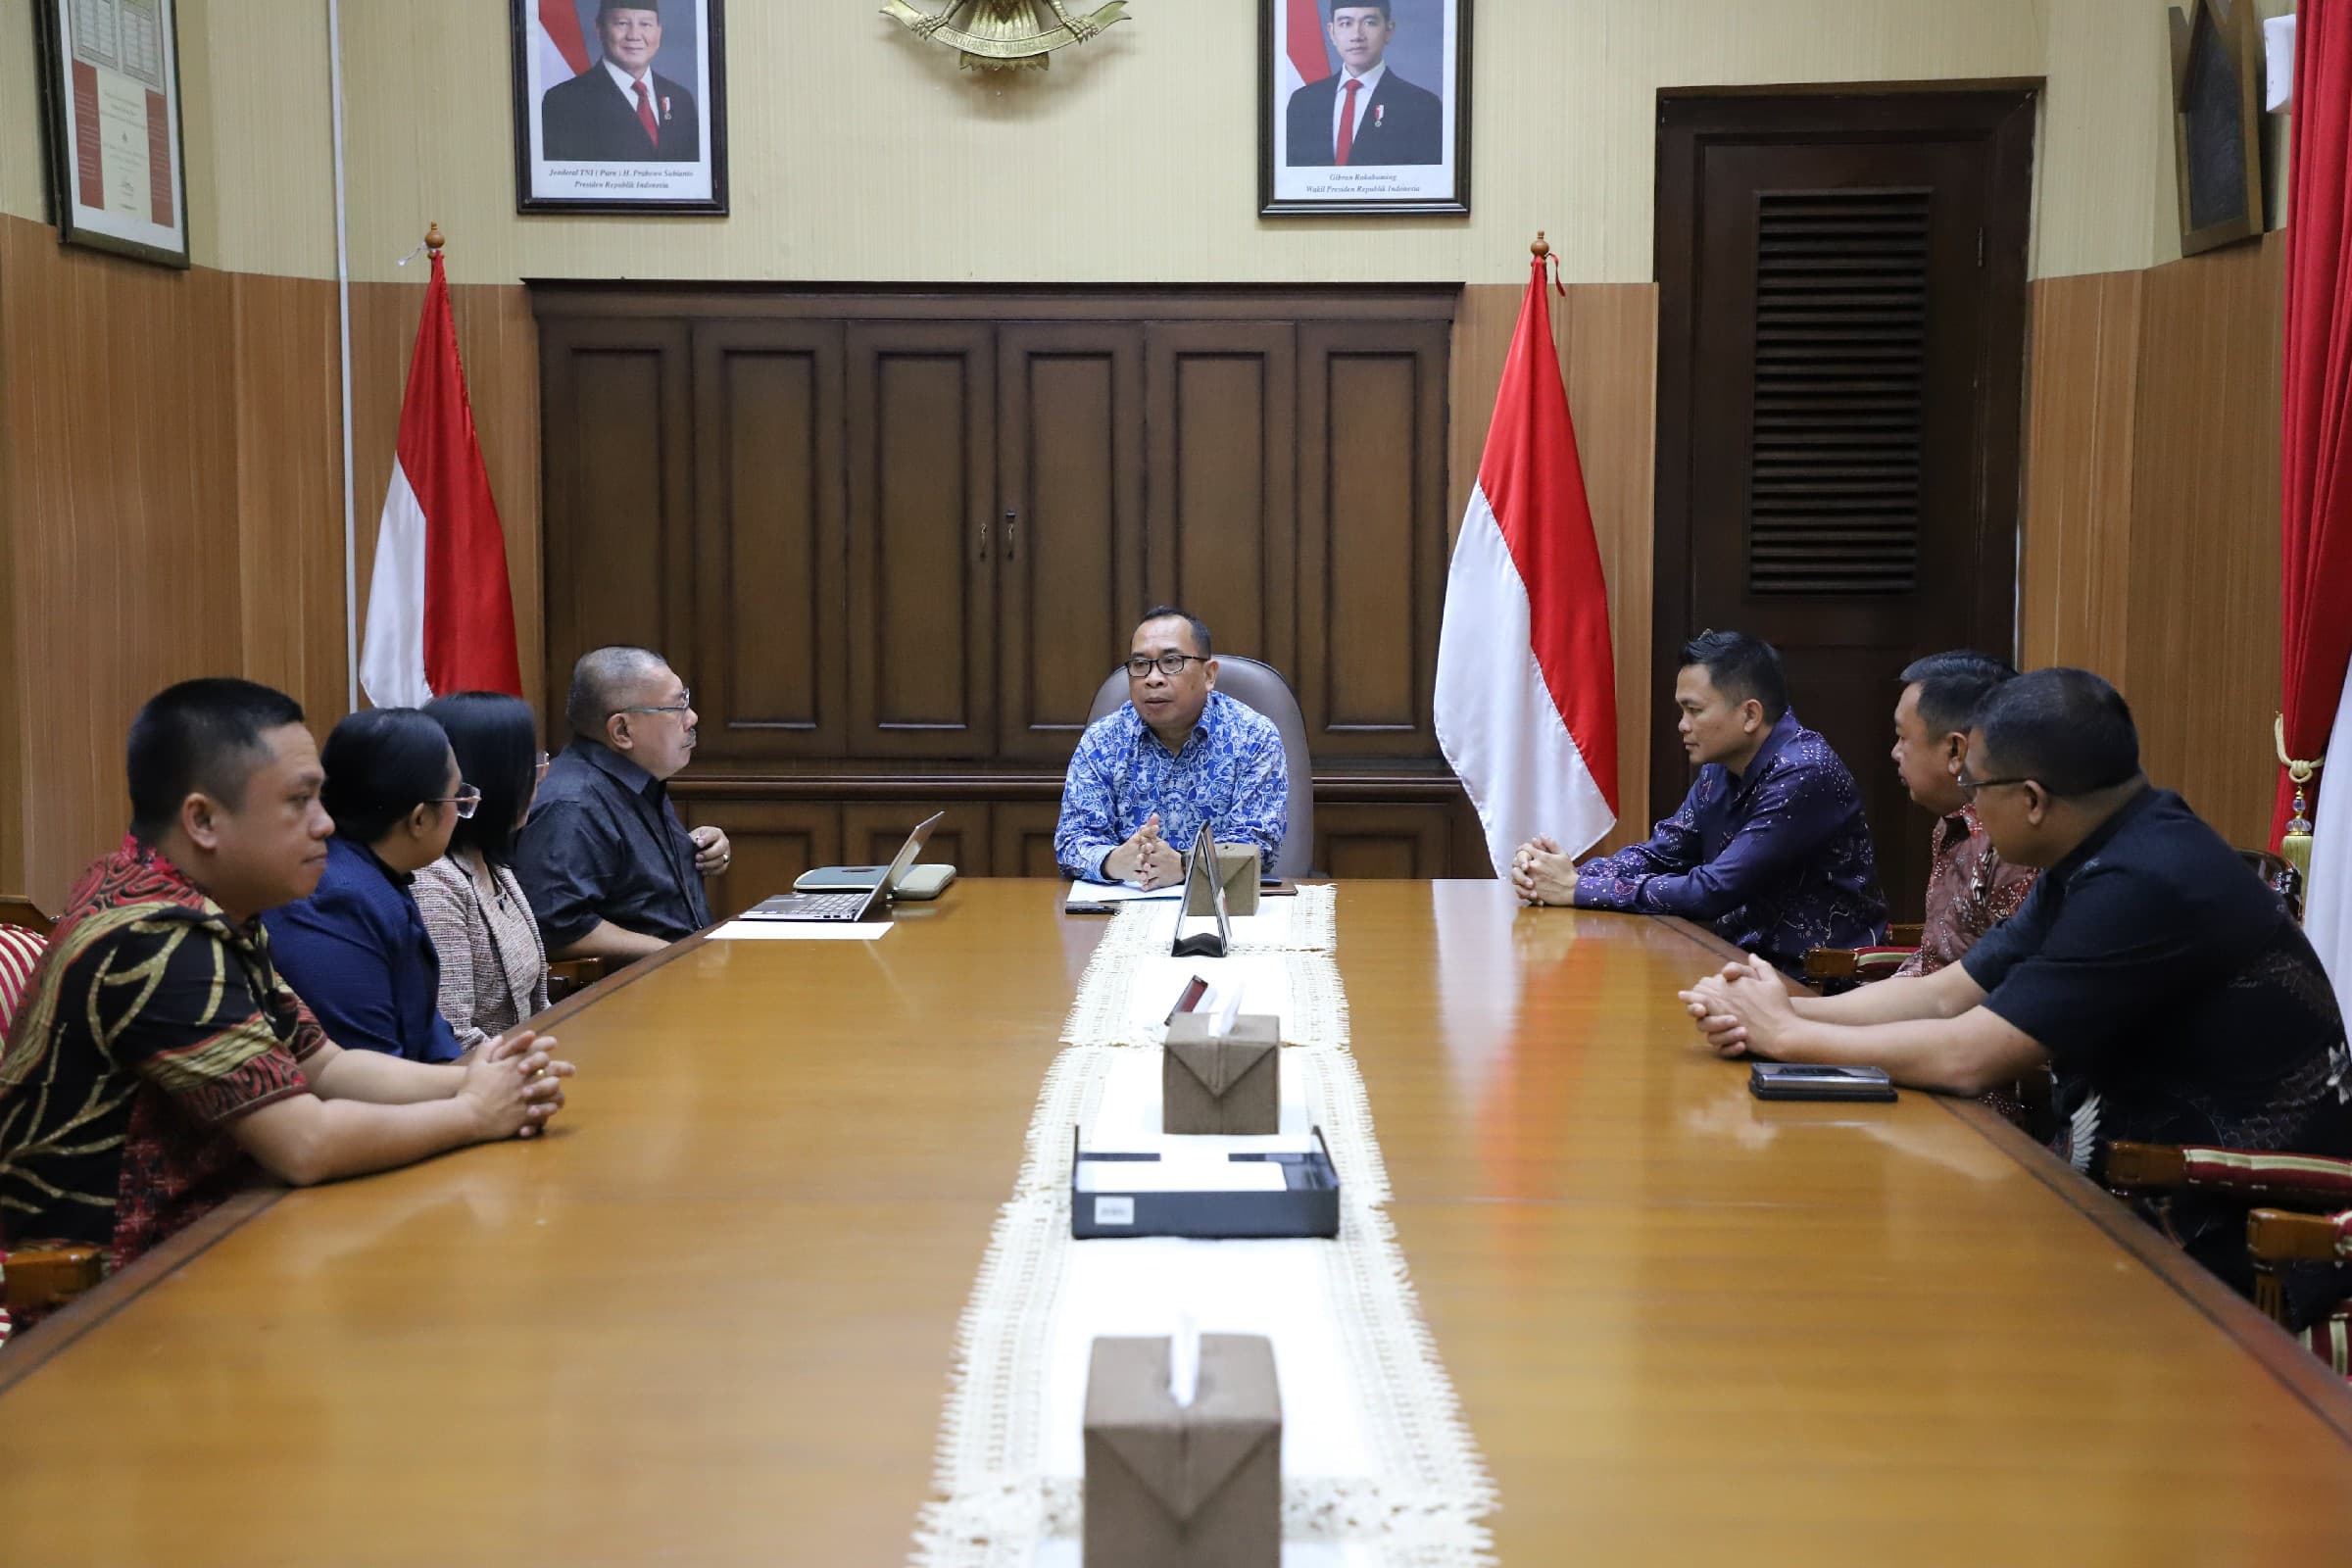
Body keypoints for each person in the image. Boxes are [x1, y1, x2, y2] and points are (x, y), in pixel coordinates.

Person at [1681, 668, 2352, 1326]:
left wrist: (1788, 1038)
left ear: (2031, 799)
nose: (1967, 801)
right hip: (2138, 1192)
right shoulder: (2100, 845)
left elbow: (1972, 1055)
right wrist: (1786, 1008)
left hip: (2236, 1225)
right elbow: (1948, 995)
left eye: (1976, 784)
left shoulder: (2145, 879)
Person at [0, 679, 571, 1289]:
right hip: (112, 1293)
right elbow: (305, 1143)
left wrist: (478, 1078)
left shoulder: (201, 903)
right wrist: (475, 1112)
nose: (326, 825)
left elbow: (326, 1066)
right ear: (203, 820)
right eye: (299, 801)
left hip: (220, 1238)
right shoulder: (158, 940)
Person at [1513, 630, 1887, 975]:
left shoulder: (1804, 772)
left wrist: (1576, 889)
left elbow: (1712, 891)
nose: (1682, 724)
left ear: (1750, 715)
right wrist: (1569, 875)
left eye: (1694, 710)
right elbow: (1662, 854)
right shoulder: (1721, 768)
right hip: (1743, 968)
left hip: (1820, 983)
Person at [265, 710, 474, 1064]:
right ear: (420, 818)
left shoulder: (377, 870)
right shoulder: (332, 896)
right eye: (459, 797)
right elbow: (367, 1060)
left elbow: (426, 1028)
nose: (465, 809)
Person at [514, 647, 729, 959]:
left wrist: (699, 850)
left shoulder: (635, 780)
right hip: (631, 995)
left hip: (679, 977)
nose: (692, 718)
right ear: (622, 731)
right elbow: (555, 925)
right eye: (677, 707)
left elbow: (642, 893)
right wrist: (678, 954)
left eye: (687, 699)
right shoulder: (572, 805)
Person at [1054, 607, 1288, 888]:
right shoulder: (1102, 741)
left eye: (1171, 661)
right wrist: (1116, 860)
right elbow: (1072, 840)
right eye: (1140, 665)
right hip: (1123, 908)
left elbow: (1257, 844)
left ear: (1209, 675)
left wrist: (1182, 866)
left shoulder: (1254, 737)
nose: (1153, 678)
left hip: (1221, 910)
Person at [416, 693, 552, 1056]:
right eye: (530, 764)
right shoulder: (434, 882)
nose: (541, 776)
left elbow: (538, 1006)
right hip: (484, 1086)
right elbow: (454, 1037)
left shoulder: (490, 860)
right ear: (496, 777)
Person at [1886, 651, 2036, 978]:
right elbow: (1933, 963)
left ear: (1955, 750)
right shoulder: (1950, 823)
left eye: (1903, 737)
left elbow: (1993, 991)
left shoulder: (2015, 840)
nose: (1895, 752)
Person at [1283, 2, 1444, 168]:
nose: (1357, 35)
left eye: (1369, 23)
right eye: (1346, 23)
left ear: (1389, 30)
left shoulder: (1421, 106)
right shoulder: (1303, 102)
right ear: (1332, 32)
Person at [541, 3, 702, 164]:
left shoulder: (681, 99)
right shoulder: (565, 101)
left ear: (659, 31)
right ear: (599, 30)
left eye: (645, 24)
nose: (634, 35)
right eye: (622, 23)